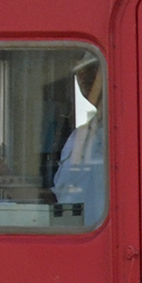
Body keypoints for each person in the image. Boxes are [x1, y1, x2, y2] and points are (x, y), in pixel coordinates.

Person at [51, 54, 107, 223]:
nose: (83, 78)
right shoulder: (78, 136)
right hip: (75, 235)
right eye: (79, 73)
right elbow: (62, 199)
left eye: (91, 71)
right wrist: (5, 177)